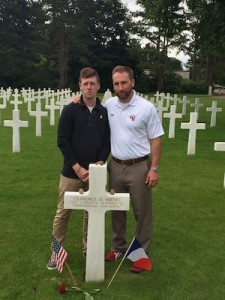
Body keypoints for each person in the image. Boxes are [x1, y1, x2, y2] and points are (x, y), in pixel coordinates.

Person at [47, 67, 110, 270]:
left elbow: (107, 142)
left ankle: (89, 250)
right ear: (80, 86)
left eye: (93, 83)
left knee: (91, 213)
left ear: (98, 85)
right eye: (85, 83)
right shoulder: (70, 110)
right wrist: (77, 167)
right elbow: (62, 140)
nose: (89, 87)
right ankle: (55, 253)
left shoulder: (104, 112)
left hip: (95, 173)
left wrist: (99, 164)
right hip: (71, 172)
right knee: (63, 213)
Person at [104, 65, 164, 273]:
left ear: (133, 82)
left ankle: (140, 255)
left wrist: (154, 168)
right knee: (116, 211)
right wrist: (77, 100)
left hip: (139, 166)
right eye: (116, 83)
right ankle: (118, 247)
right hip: (115, 166)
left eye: (123, 82)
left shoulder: (145, 108)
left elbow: (156, 139)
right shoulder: (109, 104)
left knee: (141, 212)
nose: (120, 87)